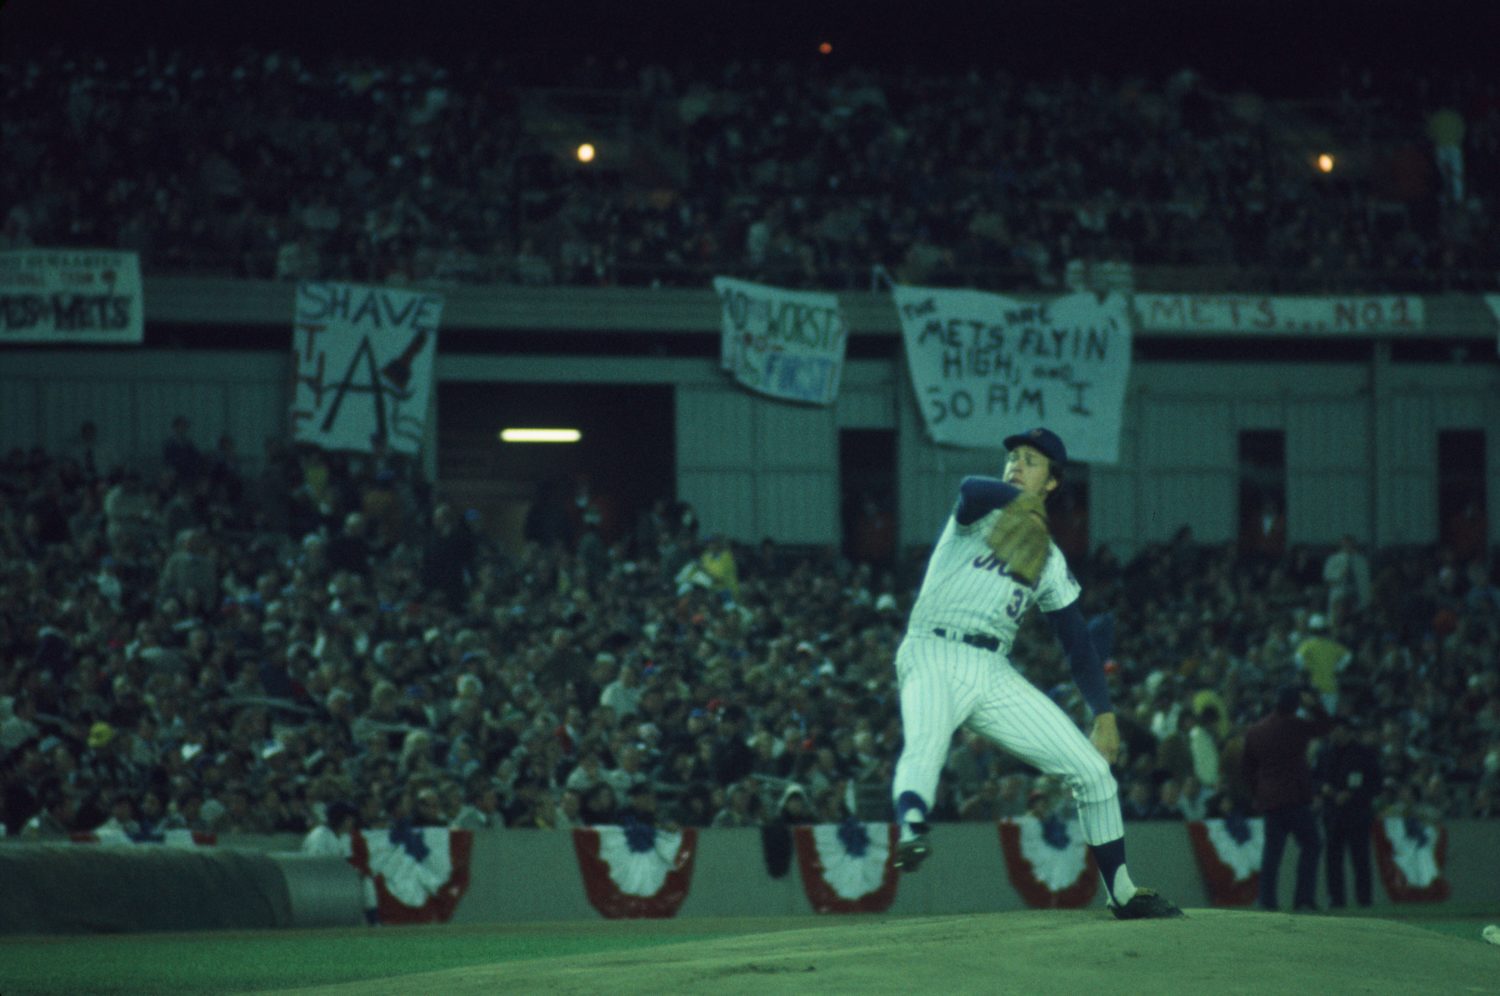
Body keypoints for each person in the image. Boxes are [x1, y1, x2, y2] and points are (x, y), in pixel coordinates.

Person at [888, 426, 1182, 919]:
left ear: (1052, 481)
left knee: (1092, 772)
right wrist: (1016, 500)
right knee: (926, 744)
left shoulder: (1048, 558)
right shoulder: (980, 513)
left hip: (991, 669)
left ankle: (1123, 892)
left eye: (1029, 461)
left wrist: (1104, 714)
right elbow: (968, 489)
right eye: (1012, 458)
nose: (1015, 465)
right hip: (933, 649)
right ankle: (913, 827)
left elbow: (1077, 642)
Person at [1242, 685, 1333, 912]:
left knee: (1272, 854)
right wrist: (1314, 706)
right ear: (1296, 704)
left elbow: (1247, 769)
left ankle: (1267, 901)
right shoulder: (1297, 727)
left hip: (1270, 800)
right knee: (1312, 844)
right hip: (1295, 798)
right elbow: (1326, 726)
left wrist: (1258, 793)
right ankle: (1303, 898)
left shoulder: (1256, 731)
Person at [1315, 717, 1381, 908]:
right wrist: (1323, 788)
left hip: (1357, 814)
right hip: (1333, 815)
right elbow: (1314, 779)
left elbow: (1375, 785)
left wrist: (1352, 795)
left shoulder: (1364, 754)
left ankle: (1364, 900)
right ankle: (1336, 900)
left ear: (1348, 731)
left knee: (1360, 859)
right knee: (1333, 860)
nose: (1334, 734)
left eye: (1338, 730)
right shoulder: (1325, 753)